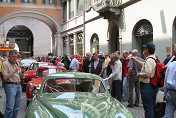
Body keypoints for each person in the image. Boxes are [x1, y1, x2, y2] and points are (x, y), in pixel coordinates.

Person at [131, 42, 158, 118]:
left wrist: (139, 74)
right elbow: (144, 65)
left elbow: (148, 74)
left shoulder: (149, 60)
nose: (144, 50)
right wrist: (135, 60)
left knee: (148, 109)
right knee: (151, 107)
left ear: (147, 50)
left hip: (147, 86)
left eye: (145, 48)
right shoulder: (153, 58)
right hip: (152, 86)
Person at [2, 49, 25, 118]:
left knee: (17, 107)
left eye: (16, 57)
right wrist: (15, 71)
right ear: (9, 56)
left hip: (18, 85)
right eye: (13, 57)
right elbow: (5, 77)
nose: (15, 58)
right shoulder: (5, 64)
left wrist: (23, 71)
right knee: (10, 108)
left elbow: (21, 76)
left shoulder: (17, 63)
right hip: (10, 86)